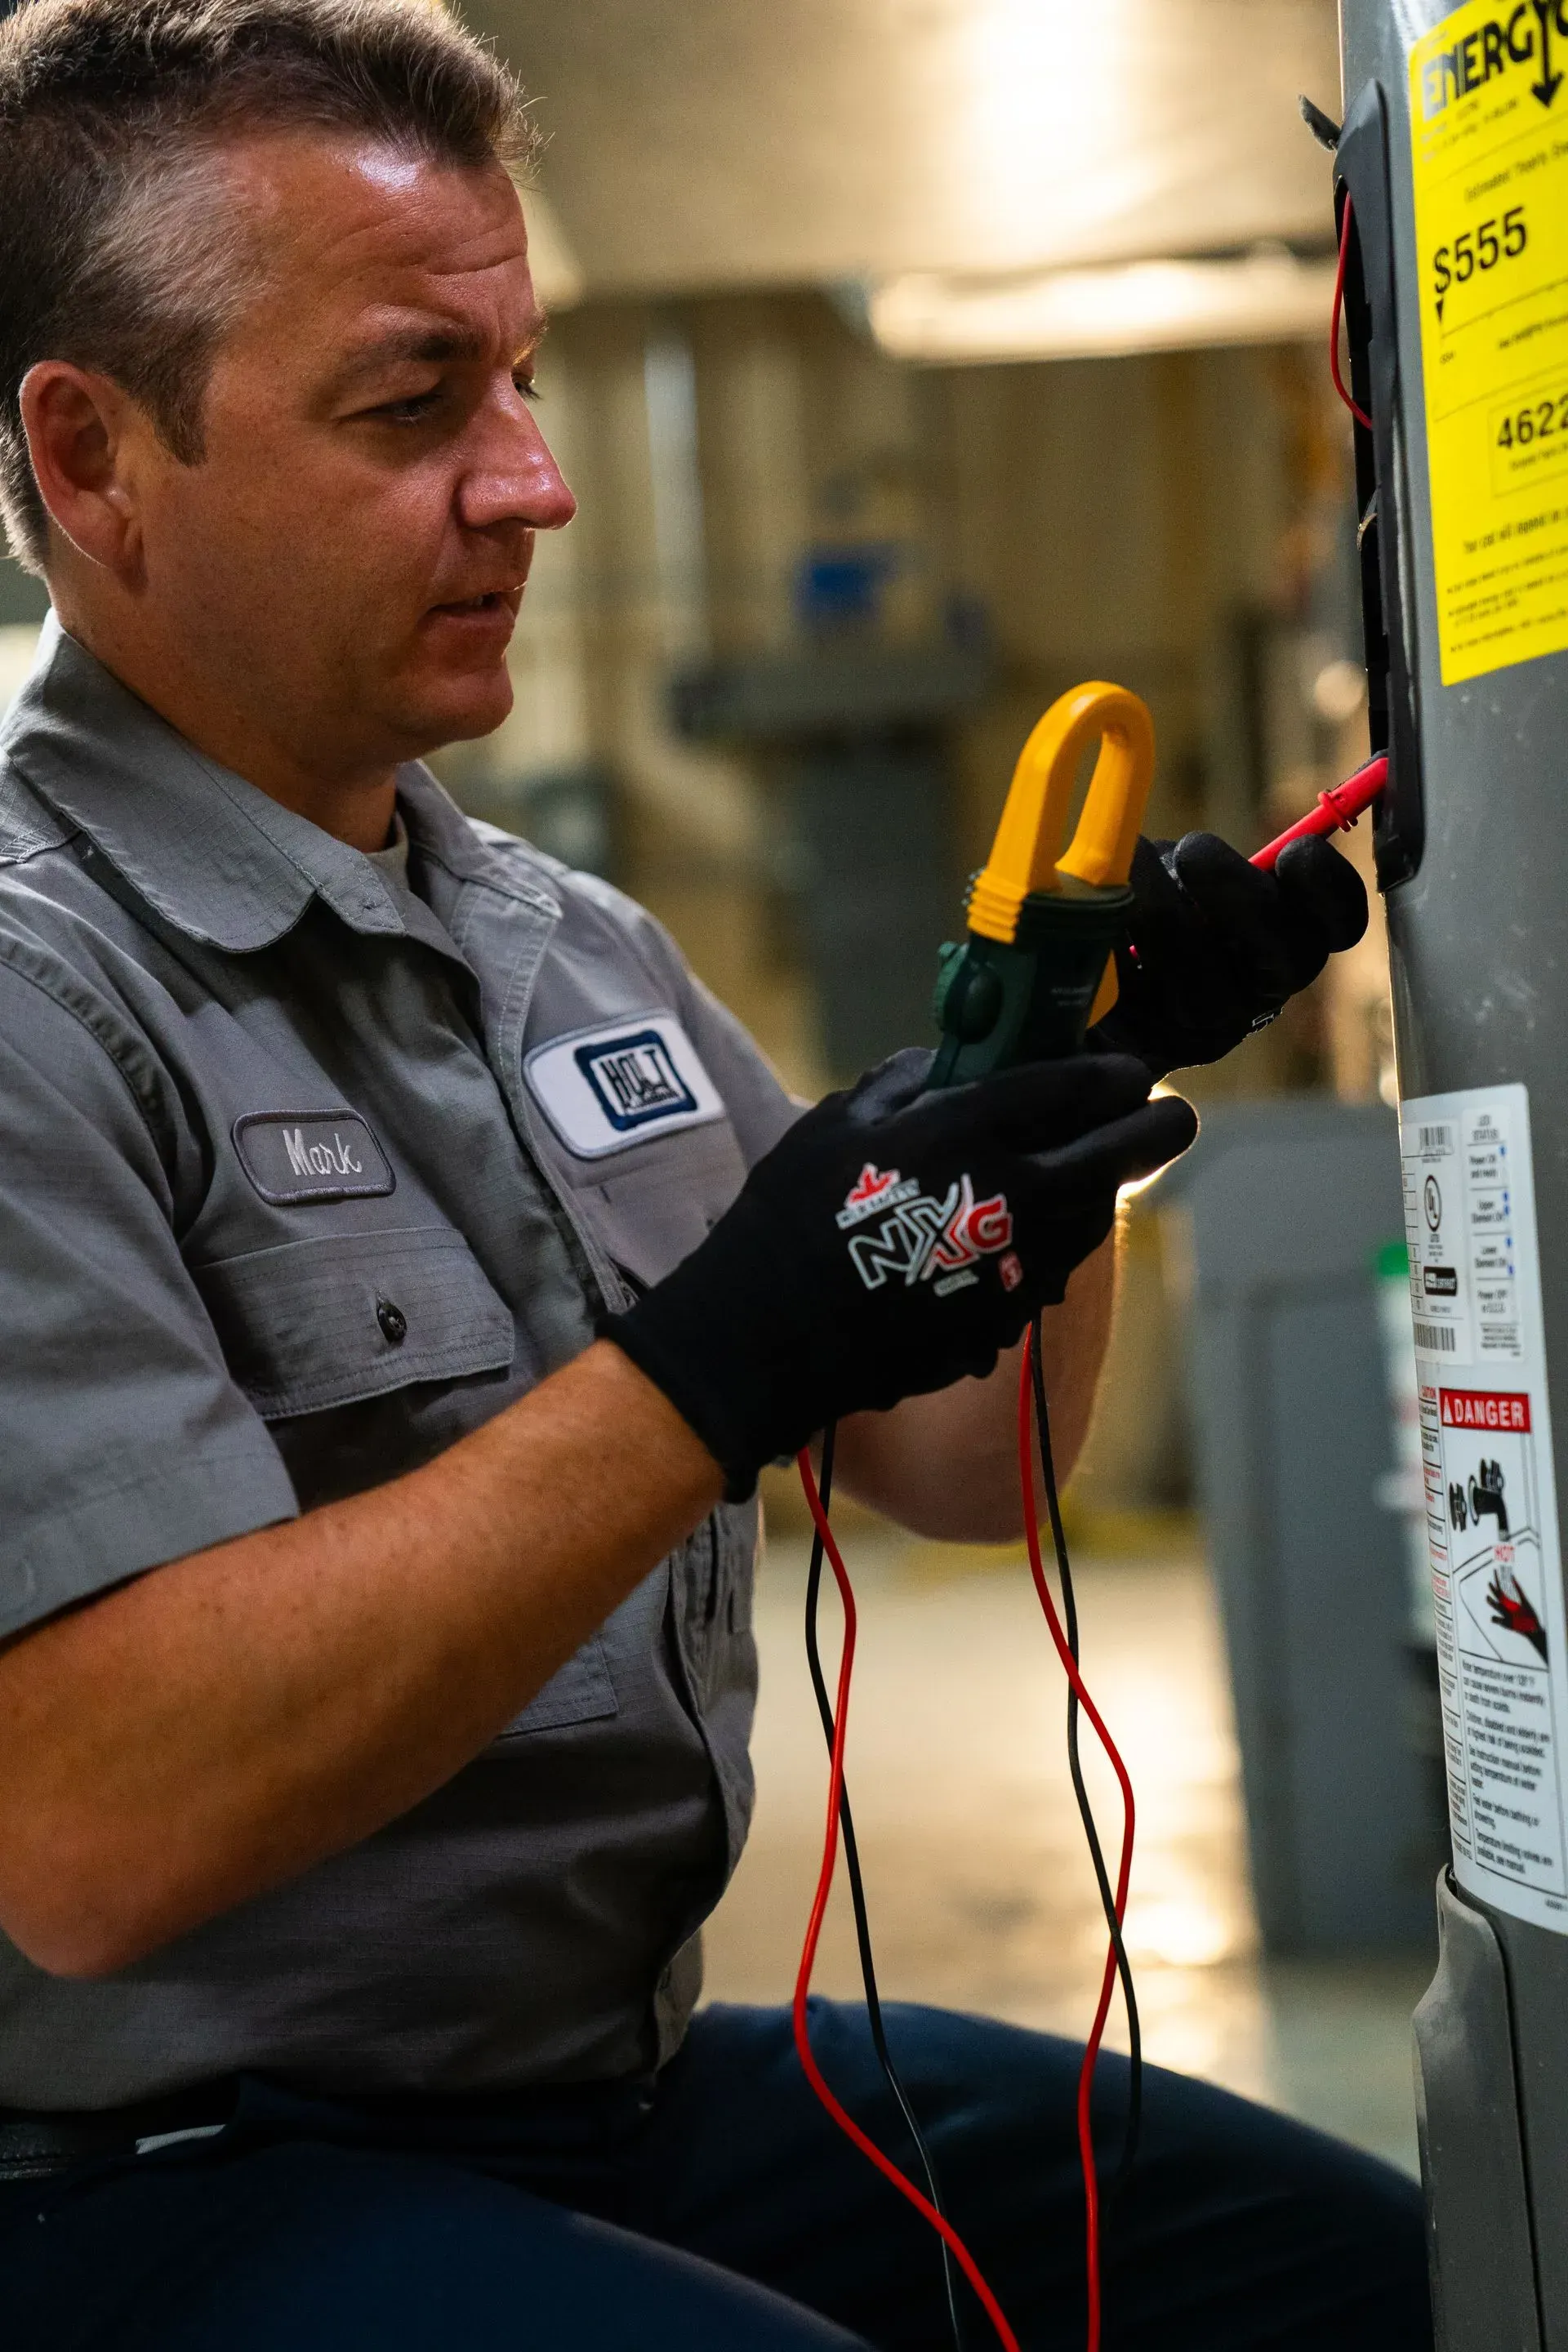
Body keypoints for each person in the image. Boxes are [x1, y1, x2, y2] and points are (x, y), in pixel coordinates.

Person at [0, 4, 1421, 2348]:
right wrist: (713, 1359)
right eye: (409, 404)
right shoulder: (47, 994)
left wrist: (1058, 1107)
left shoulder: (568, 951)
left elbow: (966, 1459)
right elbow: (93, 1830)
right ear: (93, 453)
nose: (535, 480)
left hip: (600, 2086)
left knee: (1372, 2285)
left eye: (527, 379)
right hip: (151, 2191)